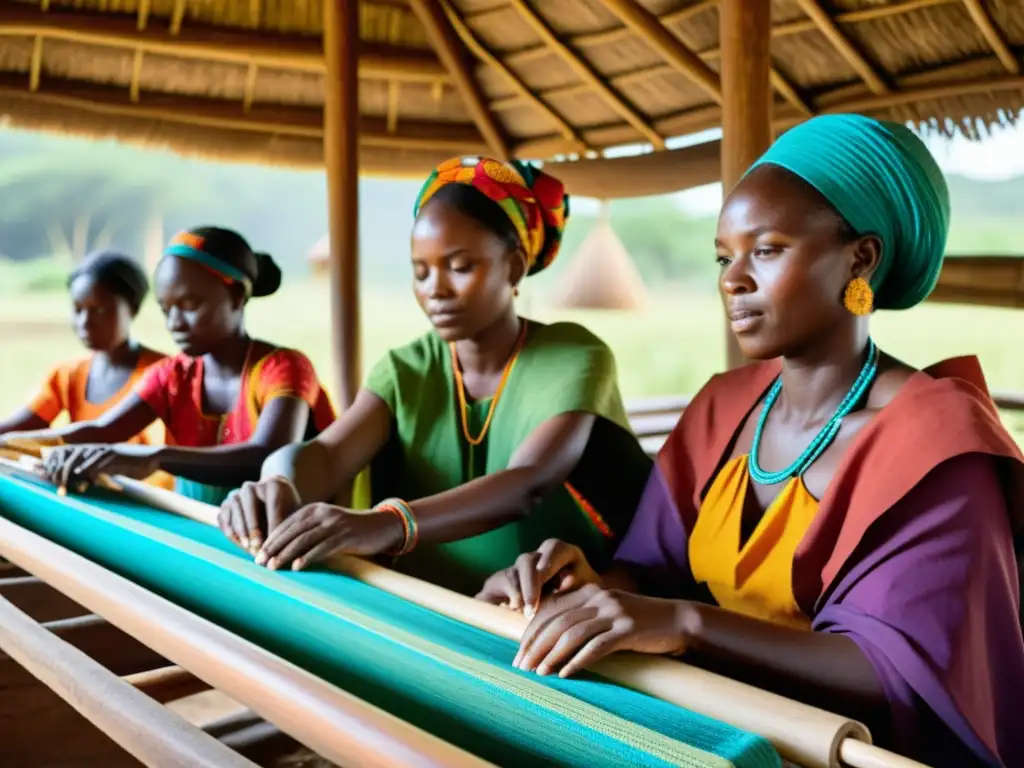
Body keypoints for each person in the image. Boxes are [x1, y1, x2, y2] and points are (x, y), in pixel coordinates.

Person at [475, 116, 1024, 767]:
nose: (732, 279)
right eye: (723, 256)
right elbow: (652, 571)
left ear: (862, 258)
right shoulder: (722, 408)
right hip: (715, 735)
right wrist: (584, 591)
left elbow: (899, 673)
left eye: (765, 250)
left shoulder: (936, 445)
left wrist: (685, 624)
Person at [219, 157, 652, 594]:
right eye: (420, 271)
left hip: (546, 610)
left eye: (460, 267)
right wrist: (274, 481)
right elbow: (328, 457)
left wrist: (388, 524)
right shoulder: (406, 368)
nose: (435, 290)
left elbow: (528, 481)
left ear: (515, 267)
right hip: (426, 609)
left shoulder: (573, 356)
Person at [19, 227, 336, 507]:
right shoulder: (172, 375)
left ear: (236, 295)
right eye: (166, 309)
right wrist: (11, 445)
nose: (174, 323)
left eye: (189, 305)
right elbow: (102, 431)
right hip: (194, 528)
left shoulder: (283, 369)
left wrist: (155, 457)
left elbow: (266, 454)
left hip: (282, 537)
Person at [0, 251, 165, 444]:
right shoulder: (67, 375)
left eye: (100, 310)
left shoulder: (162, 374)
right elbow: (19, 427)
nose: (85, 321)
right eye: (78, 309)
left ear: (133, 308)